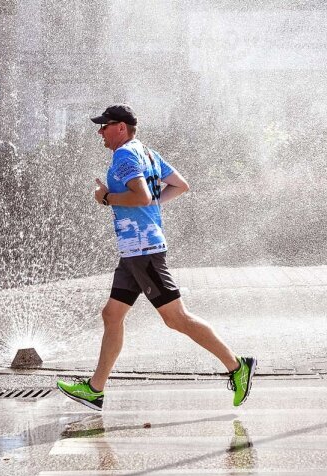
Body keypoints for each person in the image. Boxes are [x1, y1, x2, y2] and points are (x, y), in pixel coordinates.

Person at [57, 104, 256, 411]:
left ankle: (236, 366)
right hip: (133, 253)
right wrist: (150, 209)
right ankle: (95, 390)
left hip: (143, 252)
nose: (100, 132)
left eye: (105, 126)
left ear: (121, 127)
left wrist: (107, 198)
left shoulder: (124, 155)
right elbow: (180, 185)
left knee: (176, 319)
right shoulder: (147, 152)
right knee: (111, 315)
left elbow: (141, 196)